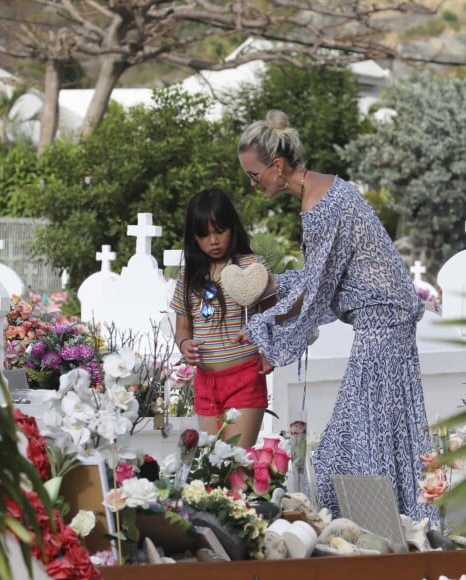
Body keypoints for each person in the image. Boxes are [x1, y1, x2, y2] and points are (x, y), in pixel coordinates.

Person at [235, 109, 435, 523]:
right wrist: (274, 303)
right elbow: (321, 279)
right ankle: (399, 527)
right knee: (380, 435)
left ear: (277, 167)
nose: (253, 184)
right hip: (386, 324)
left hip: (383, 327)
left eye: (254, 175)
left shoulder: (320, 207)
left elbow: (317, 292)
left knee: (348, 446)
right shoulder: (329, 189)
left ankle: (383, 530)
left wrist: (265, 334)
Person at [169, 187, 277, 448]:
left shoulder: (253, 267)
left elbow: (275, 315)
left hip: (245, 378)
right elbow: (183, 328)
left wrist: (269, 349)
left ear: (233, 228)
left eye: (220, 231)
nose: (213, 241)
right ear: (194, 237)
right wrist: (184, 345)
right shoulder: (189, 276)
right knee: (212, 467)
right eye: (204, 234)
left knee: (237, 464)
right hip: (206, 382)